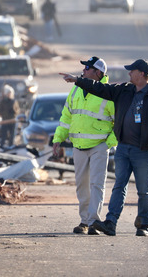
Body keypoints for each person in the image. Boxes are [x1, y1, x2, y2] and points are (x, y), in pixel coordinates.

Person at [62, 58, 148, 237]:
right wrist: (77, 80)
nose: (128, 74)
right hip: (124, 149)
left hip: (143, 150)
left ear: (142, 74)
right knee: (119, 186)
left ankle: (144, 225)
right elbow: (101, 88)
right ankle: (110, 223)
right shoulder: (124, 90)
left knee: (144, 189)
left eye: (131, 71)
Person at [52, 56, 117, 235]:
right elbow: (66, 117)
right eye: (84, 68)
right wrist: (58, 139)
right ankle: (84, 221)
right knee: (82, 184)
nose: (84, 70)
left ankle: (93, 220)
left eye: (88, 68)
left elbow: (118, 122)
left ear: (98, 73)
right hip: (79, 145)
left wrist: (108, 144)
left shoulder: (108, 92)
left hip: (99, 146)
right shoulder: (76, 90)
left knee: (97, 184)